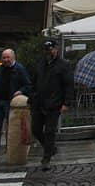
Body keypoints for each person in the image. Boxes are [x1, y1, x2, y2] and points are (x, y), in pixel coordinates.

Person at [29, 40, 74, 170]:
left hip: (54, 104)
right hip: (39, 103)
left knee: (50, 131)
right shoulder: (40, 63)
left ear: (56, 49)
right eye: (46, 50)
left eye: (50, 49)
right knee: (36, 129)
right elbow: (33, 81)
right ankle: (51, 148)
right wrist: (32, 96)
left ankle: (46, 158)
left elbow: (69, 85)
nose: (48, 52)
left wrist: (66, 103)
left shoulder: (63, 65)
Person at [0, 48, 30, 161]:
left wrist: (20, 91)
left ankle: (11, 151)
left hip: (11, 103)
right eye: (4, 58)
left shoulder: (19, 69)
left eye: (7, 57)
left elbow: (28, 85)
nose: (5, 60)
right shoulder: (1, 68)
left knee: (11, 128)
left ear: (13, 57)